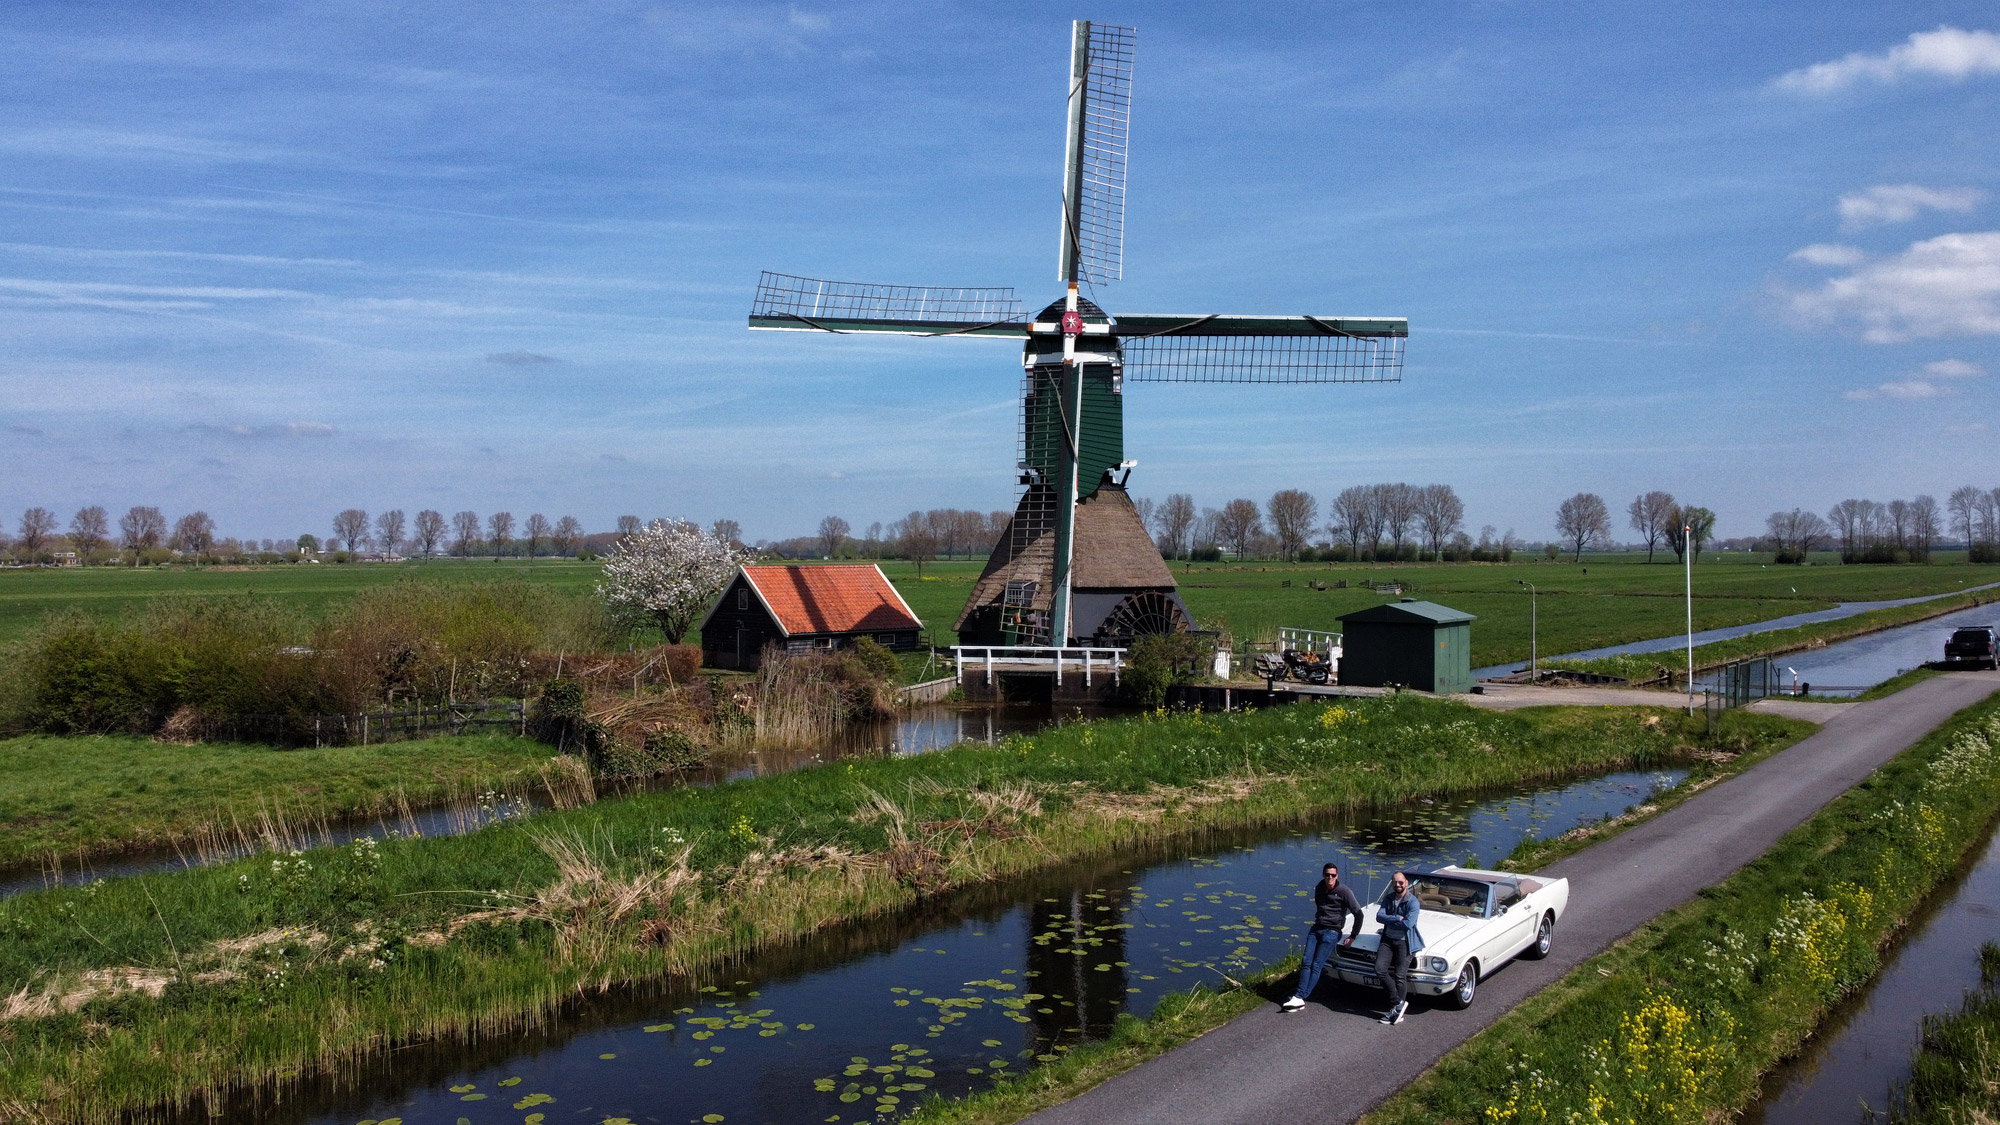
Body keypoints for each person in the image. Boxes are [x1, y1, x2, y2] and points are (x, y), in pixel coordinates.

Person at [1280, 862, 1363, 1011]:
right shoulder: (1319, 887)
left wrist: (1353, 936)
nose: (1330, 878)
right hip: (1317, 928)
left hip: (1332, 931)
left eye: (1333, 875)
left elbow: (1358, 913)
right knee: (1306, 961)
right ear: (1323, 875)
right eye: (1327, 875)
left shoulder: (1344, 891)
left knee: (1317, 964)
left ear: (1337, 876)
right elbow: (1320, 907)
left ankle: (1300, 996)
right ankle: (1299, 997)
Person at [1373, 870, 1425, 1025]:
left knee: (1400, 975)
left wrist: (1389, 920)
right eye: (1395, 882)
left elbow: (1408, 924)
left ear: (1406, 883)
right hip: (1388, 940)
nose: (1398, 885)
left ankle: (1397, 1012)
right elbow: (1378, 916)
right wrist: (1396, 918)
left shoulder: (1413, 902)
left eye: (1400, 882)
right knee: (1379, 969)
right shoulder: (1388, 898)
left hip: (1405, 942)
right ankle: (1398, 1004)